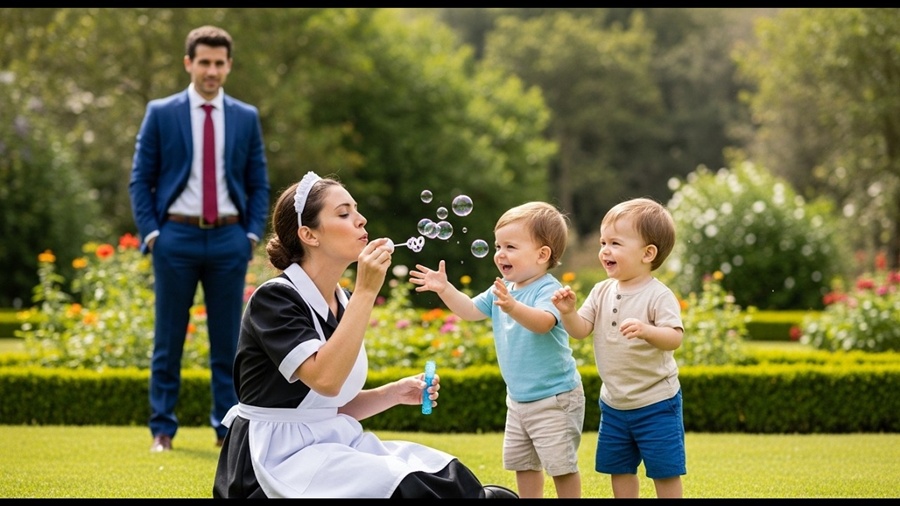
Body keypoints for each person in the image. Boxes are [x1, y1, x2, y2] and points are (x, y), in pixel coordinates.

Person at [212, 172, 518, 499]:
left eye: (356, 210)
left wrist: (395, 393)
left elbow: (323, 409)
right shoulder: (275, 299)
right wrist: (367, 290)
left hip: (328, 444)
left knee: (446, 473)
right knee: (409, 487)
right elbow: (326, 380)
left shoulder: (342, 300)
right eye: (344, 213)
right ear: (308, 235)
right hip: (273, 460)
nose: (361, 220)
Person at [129, 25, 270, 453]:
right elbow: (141, 179)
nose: (211, 70)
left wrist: (249, 234)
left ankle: (227, 431)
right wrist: (154, 234)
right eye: (204, 62)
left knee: (229, 342)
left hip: (229, 238)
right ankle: (162, 430)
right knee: (167, 338)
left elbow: (258, 182)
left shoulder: (245, 116)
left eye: (219, 63)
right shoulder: (161, 112)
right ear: (189, 63)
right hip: (175, 238)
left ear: (229, 66)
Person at [409, 201, 585, 498]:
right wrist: (445, 288)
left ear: (542, 255)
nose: (500, 254)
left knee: (561, 466)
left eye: (511, 247)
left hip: (555, 397)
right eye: (497, 246)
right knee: (523, 464)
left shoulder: (547, 289)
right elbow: (469, 311)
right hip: (518, 399)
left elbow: (543, 323)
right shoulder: (502, 288)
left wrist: (513, 307)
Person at [550, 197, 685, 498]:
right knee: (619, 468)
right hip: (614, 404)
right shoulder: (601, 291)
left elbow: (674, 337)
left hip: (656, 402)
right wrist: (569, 313)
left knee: (665, 469)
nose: (605, 251)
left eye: (616, 243)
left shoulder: (658, 295)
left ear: (648, 253)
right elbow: (580, 331)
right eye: (603, 242)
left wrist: (648, 331)